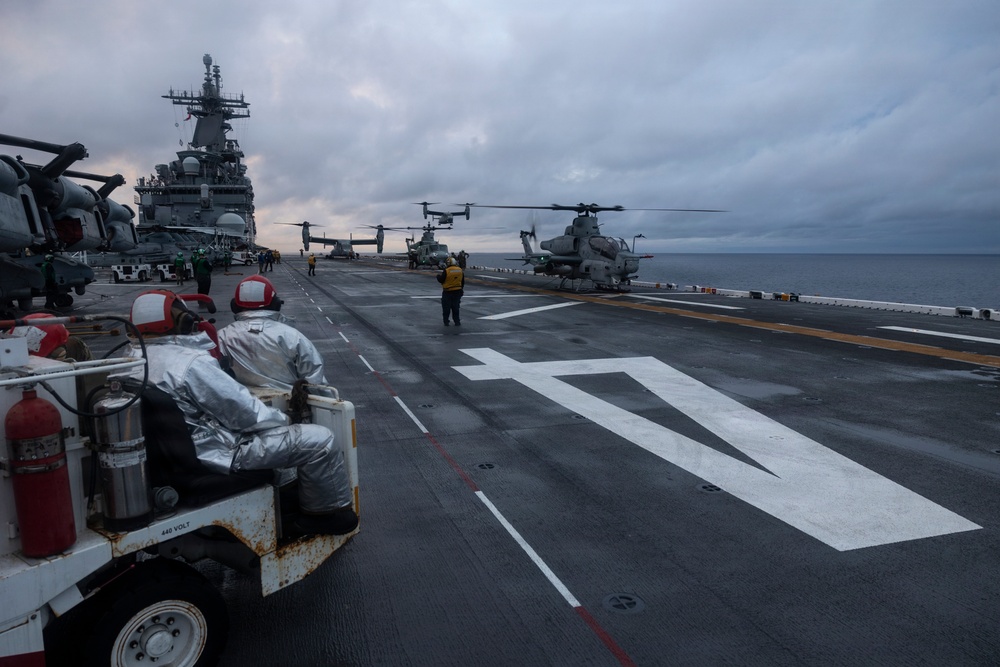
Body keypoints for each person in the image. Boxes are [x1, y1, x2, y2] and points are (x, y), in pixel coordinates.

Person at [122, 290, 358, 535]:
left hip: (170, 459)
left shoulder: (127, 361)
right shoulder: (189, 363)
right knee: (320, 441)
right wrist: (286, 420)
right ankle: (322, 516)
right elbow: (246, 414)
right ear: (182, 321)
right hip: (216, 454)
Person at [218, 276, 330, 393]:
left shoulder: (221, 336)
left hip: (238, 407)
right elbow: (316, 383)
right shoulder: (293, 337)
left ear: (234, 306)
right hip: (289, 408)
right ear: (276, 304)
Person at [437, 256, 464, 326]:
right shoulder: (460, 270)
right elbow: (462, 281)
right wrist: (461, 289)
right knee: (456, 308)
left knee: (446, 308)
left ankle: (446, 322)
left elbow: (441, 280)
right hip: (457, 291)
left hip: (447, 292)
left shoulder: (447, 270)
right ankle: (457, 321)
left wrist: (438, 276)